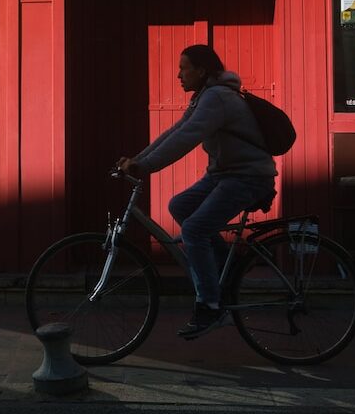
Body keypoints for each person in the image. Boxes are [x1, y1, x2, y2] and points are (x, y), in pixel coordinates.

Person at [117, 44, 277, 338]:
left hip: (247, 177)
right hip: (224, 175)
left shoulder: (216, 97)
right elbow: (175, 132)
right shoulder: (205, 96)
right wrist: (137, 160)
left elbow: (188, 138)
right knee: (180, 206)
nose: (178, 75)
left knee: (193, 230)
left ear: (202, 71)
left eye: (183, 68)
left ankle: (210, 307)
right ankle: (221, 267)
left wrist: (146, 167)